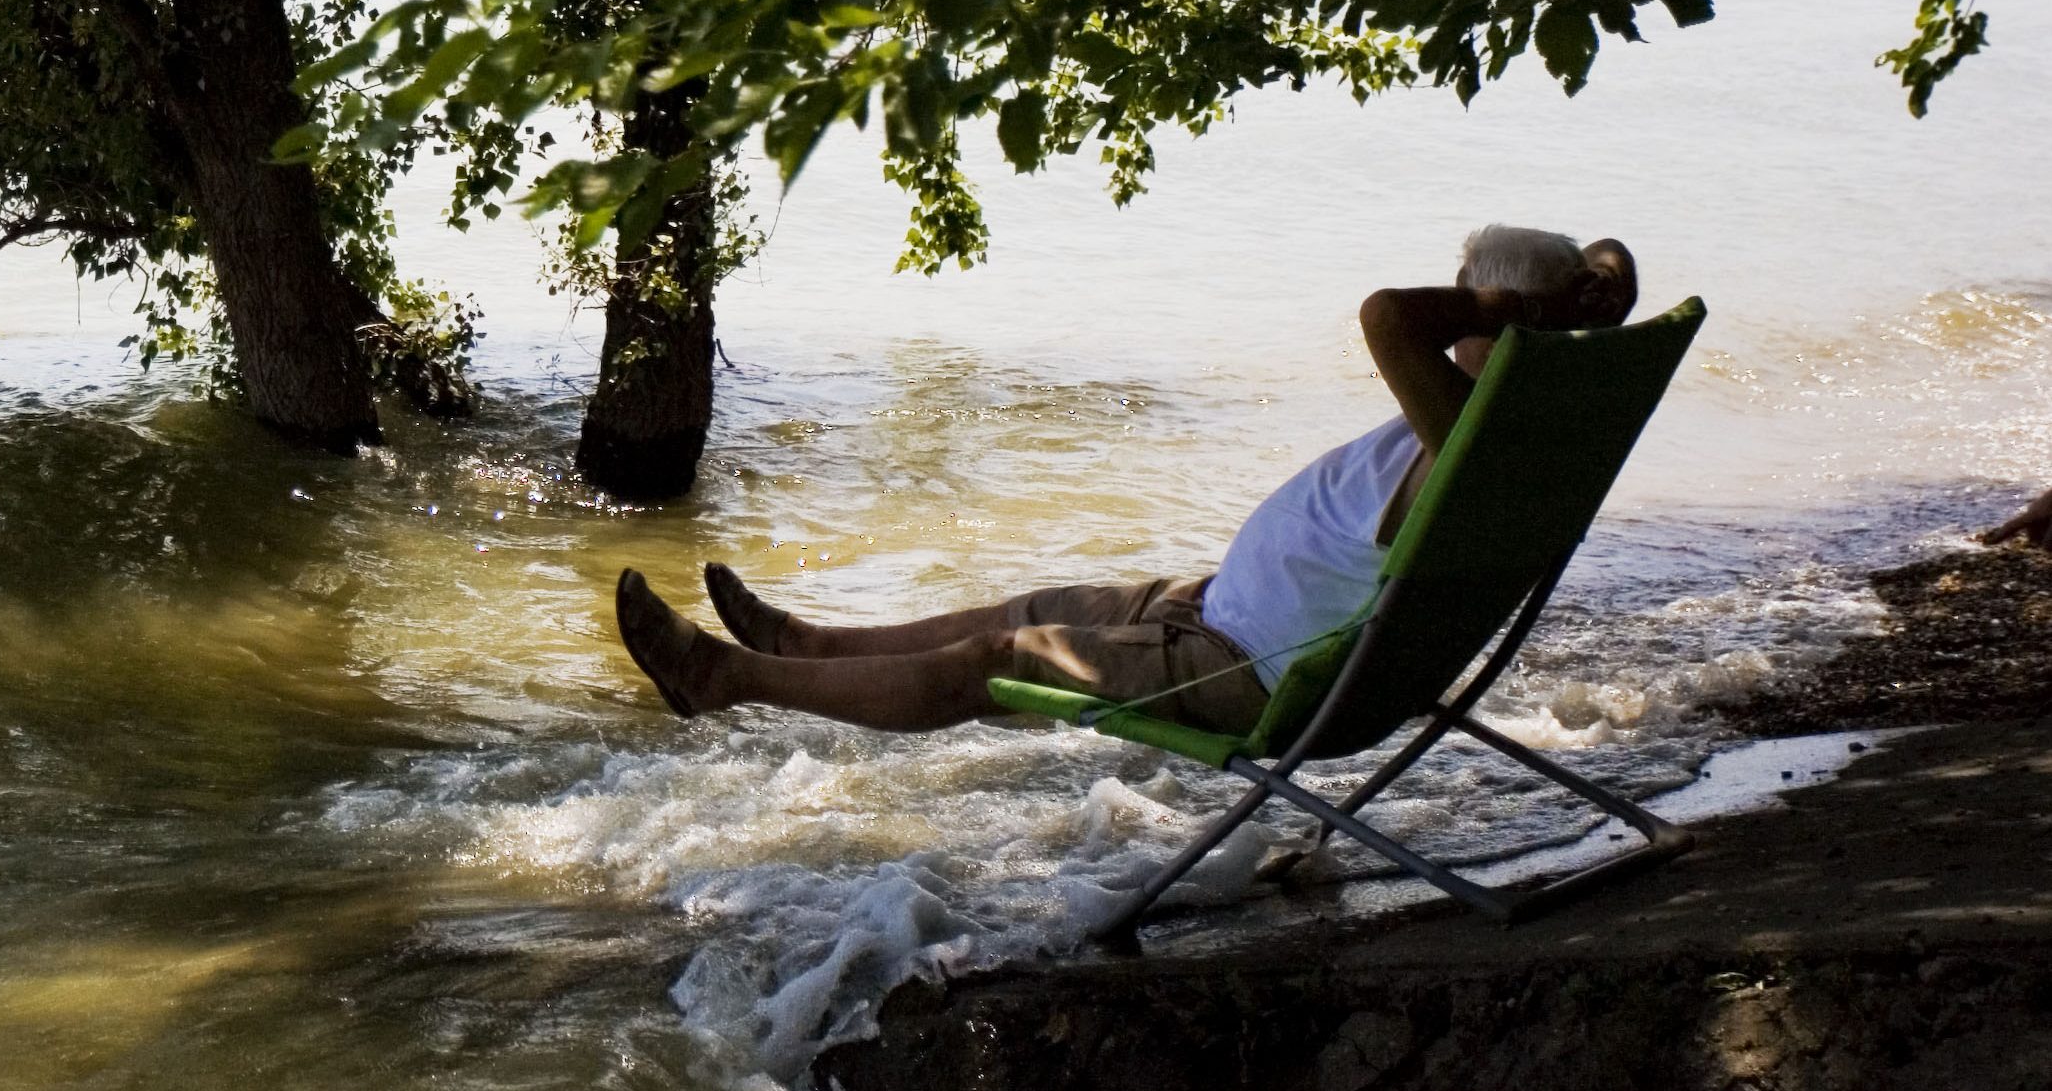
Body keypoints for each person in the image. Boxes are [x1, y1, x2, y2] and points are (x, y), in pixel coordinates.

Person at [611, 227, 1641, 733]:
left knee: (992, 662)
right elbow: (1598, 269)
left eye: (1467, 298)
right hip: (1227, 615)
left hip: (1246, 667)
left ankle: (728, 680)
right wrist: (1562, 299)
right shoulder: (1522, 425)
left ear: (1500, 323)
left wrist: (1505, 308)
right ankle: (806, 645)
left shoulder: (1471, 432)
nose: (1451, 310)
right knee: (1027, 610)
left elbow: (1386, 316)